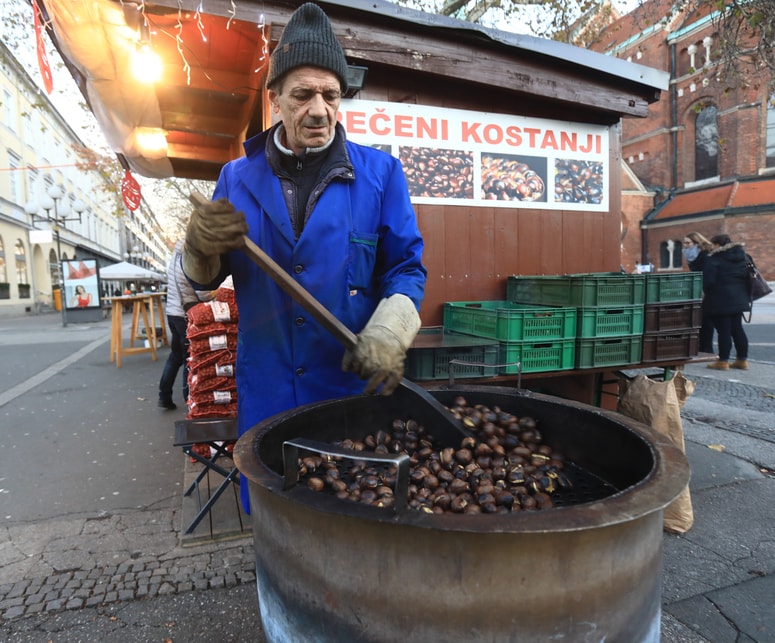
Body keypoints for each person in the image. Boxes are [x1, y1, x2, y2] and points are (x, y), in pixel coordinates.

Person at [180, 3, 427, 509]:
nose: (318, 109)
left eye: (331, 95)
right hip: (269, 394)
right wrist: (199, 246)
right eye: (302, 95)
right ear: (275, 99)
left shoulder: (381, 176)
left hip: (347, 394)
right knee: (276, 521)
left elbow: (406, 269)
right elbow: (206, 279)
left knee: (353, 513)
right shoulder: (236, 179)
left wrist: (389, 331)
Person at [158, 240, 215, 410]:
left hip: (172, 312)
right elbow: (202, 293)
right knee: (189, 358)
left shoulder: (176, 255)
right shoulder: (189, 258)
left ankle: (164, 396)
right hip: (184, 315)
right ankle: (189, 400)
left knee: (175, 356)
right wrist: (218, 291)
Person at [702, 234, 749, 370]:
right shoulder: (743, 256)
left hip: (720, 300)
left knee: (724, 331)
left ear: (717, 245)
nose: (711, 247)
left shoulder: (715, 259)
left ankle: (723, 361)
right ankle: (742, 360)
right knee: (738, 329)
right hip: (739, 297)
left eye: (712, 244)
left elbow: (708, 281)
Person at [682, 231, 715, 354]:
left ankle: (707, 348)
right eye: (684, 243)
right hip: (699, 291)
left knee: (706, 322)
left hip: (706, 293)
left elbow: (707, 276)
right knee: (700, 320)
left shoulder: (705, 256)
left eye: (688, 243)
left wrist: (702, 289)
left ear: (696, 243)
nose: (685, 246)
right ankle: (702, 347)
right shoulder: (694, 256)